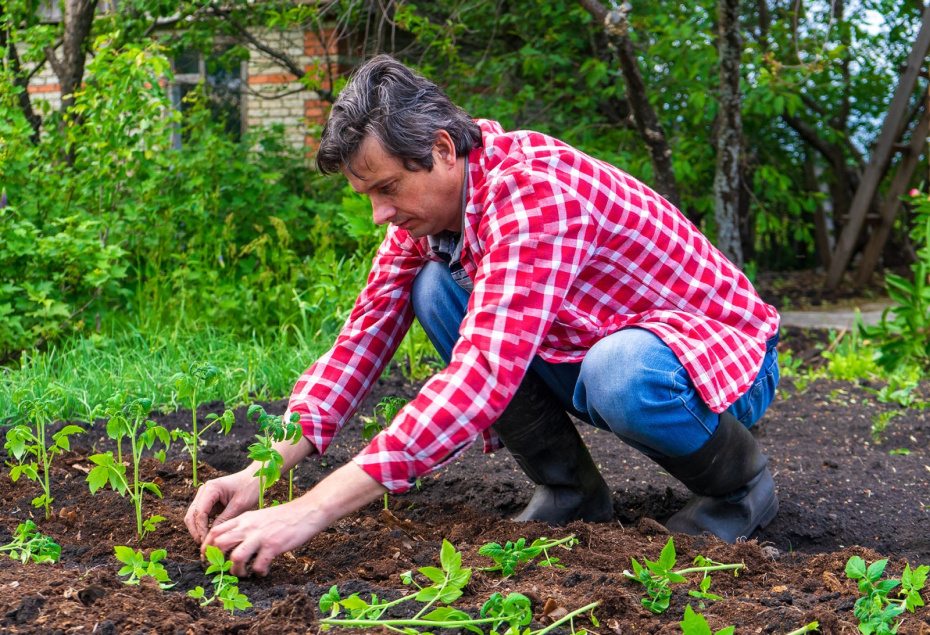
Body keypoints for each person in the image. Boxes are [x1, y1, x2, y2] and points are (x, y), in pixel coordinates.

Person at [185, 54, 781, 577]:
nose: (378, 214)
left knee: (619, 371)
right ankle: (570, 491)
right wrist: (261, 471)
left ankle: (740, 489)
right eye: (368, 196)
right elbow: (358, 345)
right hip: (592, 345)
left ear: (443, 150)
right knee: (435, 289)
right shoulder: (430, 217)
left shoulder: (537, 194)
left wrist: (311, 510)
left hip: (721, 365)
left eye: (387, 188)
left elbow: (483, 374)